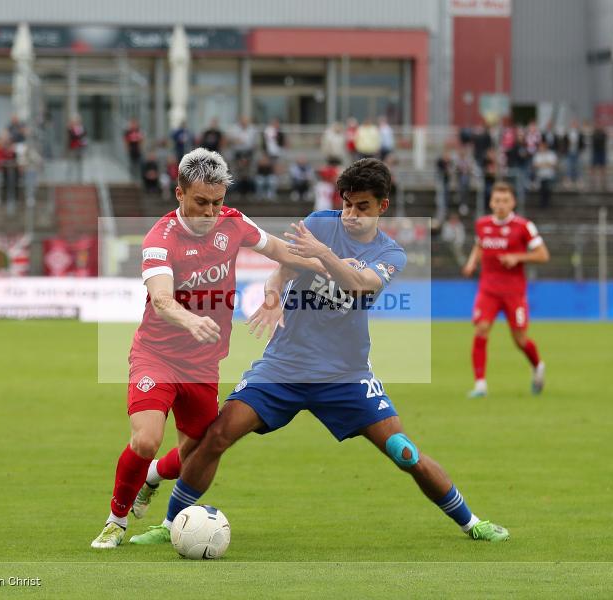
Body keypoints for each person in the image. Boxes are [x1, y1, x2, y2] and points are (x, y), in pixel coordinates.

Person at [130, 158, 510, 546]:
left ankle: (471, 522)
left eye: (362, 207)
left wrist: (323, 256)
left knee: (404, 451)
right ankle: (170, 524)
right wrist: (275, 292)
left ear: (383, 207)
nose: (350, 215)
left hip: (345, 375)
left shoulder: (390, 253)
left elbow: (360, 284)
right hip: (283, 367)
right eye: (346, 204)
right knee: (217, 436)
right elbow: (283, 266)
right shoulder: (319, 224)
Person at [89, 148, 323, 549]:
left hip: (203, 364)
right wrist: (191, 319)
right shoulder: (159, 240)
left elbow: (279, 251)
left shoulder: (233, 223)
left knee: (200, 450)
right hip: (157, 356)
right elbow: (161, 299)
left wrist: (330, 264)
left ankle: (152, 479)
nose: (211, 211)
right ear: (179, 193)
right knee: (146, 440)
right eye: (201, 202)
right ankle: (116, 521)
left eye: (217, 202)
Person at [462, 181, 550, 398]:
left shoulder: (524, 226)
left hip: (514, 292)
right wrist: (472, 262)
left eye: (505, 201)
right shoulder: (482, 224)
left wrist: (517, 257)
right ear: (491, 202)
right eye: (497, 200)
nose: (501, 205)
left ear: (513, 203)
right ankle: (480, 385)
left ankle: (538, 366)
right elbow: (479, 245)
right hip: (488, 289)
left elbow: (543, 255)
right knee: (481, 329)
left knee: (520, 339)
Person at [532, 141, 557, 209]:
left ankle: (547, 204)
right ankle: (542, 204)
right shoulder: (537, 155)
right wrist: (546, 164)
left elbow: (553, 164)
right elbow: (535, 165)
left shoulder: (551, 154)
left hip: (549, 175)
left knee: (548, 190)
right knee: (542, 190)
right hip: (540, 176)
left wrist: (542, 164)